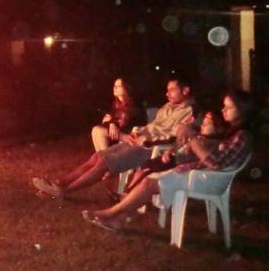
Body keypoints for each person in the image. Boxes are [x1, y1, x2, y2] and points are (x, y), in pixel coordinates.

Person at [84, 90, 256, 232]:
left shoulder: (242, 136)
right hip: (199, 174)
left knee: (148, 184)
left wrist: (192, 139)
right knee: (149, 179)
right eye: (224, 106)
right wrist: (186, 156)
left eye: (229, 107)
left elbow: (215, 164)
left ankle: (109, 213)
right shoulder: (231, 133)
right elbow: (212, 159)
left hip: (208, 181)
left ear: (242, 110)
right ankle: (117, 220)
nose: (224, 110)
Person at [32, 77, 194, 198]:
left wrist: (146, 140)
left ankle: (65, 190)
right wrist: (139, 132)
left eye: (172, 90)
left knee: (105, 162)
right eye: (167, 90)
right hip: (139, 140)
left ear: (185, 90)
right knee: (98, 156)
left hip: (150, 149)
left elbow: (174, 137)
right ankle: (59, 183)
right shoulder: (167, 107)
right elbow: (154, 126)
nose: (167, 93)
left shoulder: (190, 112)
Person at [89, 78, 144, 152]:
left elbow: (127, 125)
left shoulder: (134, 105)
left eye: (118, 86)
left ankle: (106, 158)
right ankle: (102, 157)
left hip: (129, 136)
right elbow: (108, 119)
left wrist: (112, 123)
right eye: (114, 86)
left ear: (126, 88)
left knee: (100, 132)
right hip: (119, 135)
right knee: (95, 130)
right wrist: (112, 123)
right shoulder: (116, 104)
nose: (115, 88)